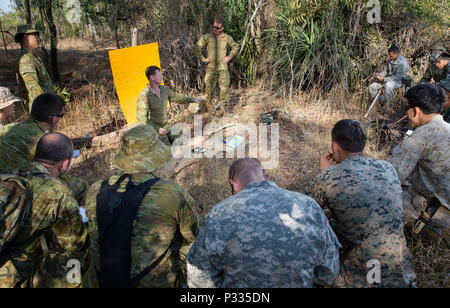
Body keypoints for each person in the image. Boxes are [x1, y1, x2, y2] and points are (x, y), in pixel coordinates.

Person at [187, 158, 341, 288]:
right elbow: (329, 272)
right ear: (267, 177)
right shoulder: (308, 206)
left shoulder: (217, 215)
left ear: (233, 184)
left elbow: (198, 280)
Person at [84, 124, 201, 288]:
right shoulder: (171, 193)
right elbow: (195, 237)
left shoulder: (96, 189)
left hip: (102, 281)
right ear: (154, 155)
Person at [307, 119, 416, 288]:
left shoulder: (328, 176)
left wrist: (324, 172)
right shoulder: (387, 168)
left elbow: (306, 214)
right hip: (402, 270)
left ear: (335, 147)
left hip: (363, 275)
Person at [0, 133, 89, 288]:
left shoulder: (12, 174)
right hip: (14, 277)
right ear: (65, 163)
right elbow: (75, 243)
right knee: (78, 255)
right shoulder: (56, 191)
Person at [0, 93, 87, 205]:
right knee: (80, 187)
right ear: (53, 119)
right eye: (62, 115)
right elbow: (61, 177)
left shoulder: (6, 129)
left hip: (7, 187)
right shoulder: (43, 142)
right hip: (13, 196)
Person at [390, 84, 450, 233]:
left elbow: (391, 177)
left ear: (415, 111)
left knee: (376, 198)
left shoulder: (421, 136)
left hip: (436, 214)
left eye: (407, 109)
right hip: (442, 206)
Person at [136, 66, 203, 145]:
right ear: (152, 77)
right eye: (159, 75)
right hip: (153, 130)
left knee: (183, 139)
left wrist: (193, 99)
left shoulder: (164, 90)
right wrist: (157, 130)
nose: (162, 77)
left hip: (166, 126)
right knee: (166, 148)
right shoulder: (144, 95)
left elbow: (178, 97)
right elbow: (142, 120)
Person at [195, 17, 239, 115]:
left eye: (217, 28)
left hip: (223, 69)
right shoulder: (207, 37)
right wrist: (203, 59)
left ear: (222, 28)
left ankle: (223, 111)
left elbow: (236, 46)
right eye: (214, 27)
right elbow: (197, 47)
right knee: (210, 92)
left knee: (224, 91)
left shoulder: (226, 37)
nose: (215, 29)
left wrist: (229, 57)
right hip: (211, 69)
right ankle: (211, 112)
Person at [14, 25, 54, 112]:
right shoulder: (25, 60)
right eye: (35, 35)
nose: (38, 38)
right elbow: (33, 88)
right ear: (26, 37)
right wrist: (45, 110)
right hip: (41, 109)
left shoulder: (33, 57)